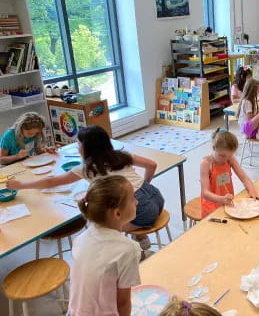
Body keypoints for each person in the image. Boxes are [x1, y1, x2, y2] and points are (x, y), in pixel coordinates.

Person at [7, 125, 164, 251]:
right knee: (116, 206)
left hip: (141, 210)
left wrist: (21, 185)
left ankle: (128, 245)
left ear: (86, 148)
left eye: (78, 143)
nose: (77, 146)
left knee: (98, 225)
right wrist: (146, 183)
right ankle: (141, 236)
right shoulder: (121, 155)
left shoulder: (88, 168)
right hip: (156, 198)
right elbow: (152, 164)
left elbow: (51, 182)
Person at [68, 176, 141, 316]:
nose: (137, 202)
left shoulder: (80, 239)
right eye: (132, 198)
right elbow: (123, 303)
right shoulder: (128, 249)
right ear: (117, 213)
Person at [200, 129, 259, 217]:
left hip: (227, 202)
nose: (225, 159)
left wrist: (252, 191)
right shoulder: (205, 164)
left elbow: (244, 178)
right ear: (214, 148)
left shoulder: (229, 159)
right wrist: (221, 199)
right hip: (211, 206)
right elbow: (205, 193)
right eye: (223, 156)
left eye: (230, 156)